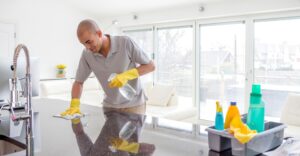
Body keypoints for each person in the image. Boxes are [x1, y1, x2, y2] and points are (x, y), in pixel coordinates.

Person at [61, 19, 155, 123]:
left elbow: (150, 66)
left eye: (89, 42)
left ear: (99, 33)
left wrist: (126, 75)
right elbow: (78, 82)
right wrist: (74, 105)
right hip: (109, 108)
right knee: (109, 139)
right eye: (83, 44)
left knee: (131, 140)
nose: (87, 47)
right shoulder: (87, 54)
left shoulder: (125, 43)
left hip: (134, 106)